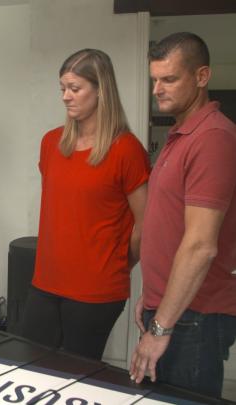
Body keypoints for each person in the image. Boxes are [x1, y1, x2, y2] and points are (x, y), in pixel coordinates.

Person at [21, 49, 149, 360]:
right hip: (46, 282)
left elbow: (146, 225)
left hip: (96, 290)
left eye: (75, 88)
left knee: (75, 375)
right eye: (63, 88)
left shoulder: (126, 149)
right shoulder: (51, 143)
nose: (66, 96)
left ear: (101, 89)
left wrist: (119, 263)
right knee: (28, 366)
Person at [129, 32, 236, 398]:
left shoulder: (213, 138)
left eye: (169, 79)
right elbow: (168, 225)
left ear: (202, 76)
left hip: (194, 317)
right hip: (173, 309)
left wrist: (161, 326)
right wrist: (153, 293)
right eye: (154, 79)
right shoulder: (181, 134)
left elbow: (200, 246)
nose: (157, 89)